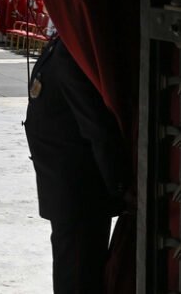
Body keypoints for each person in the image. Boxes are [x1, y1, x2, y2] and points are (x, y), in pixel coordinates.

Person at [25, 32, 128, 293]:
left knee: (78, 277)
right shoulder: (62, 46)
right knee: (71, 273)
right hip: (64, 192)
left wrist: (119, 185)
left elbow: (96, 128)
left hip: (80, 195)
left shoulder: (70, 55)